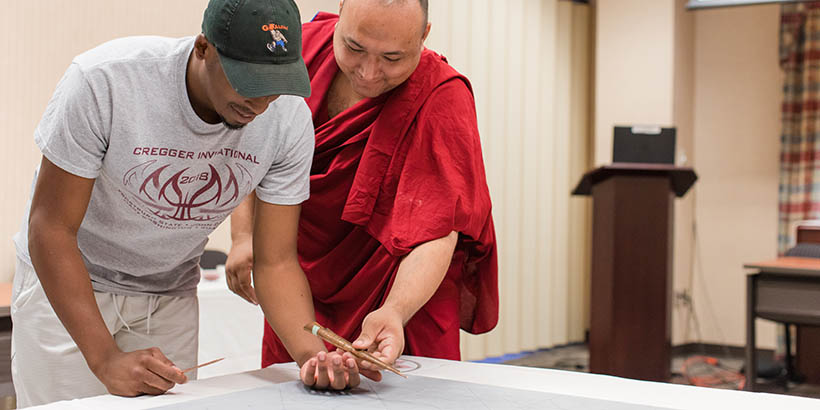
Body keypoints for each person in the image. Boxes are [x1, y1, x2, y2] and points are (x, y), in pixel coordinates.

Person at [10, 0, 364, 407]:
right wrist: (104, 357)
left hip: (168, 291)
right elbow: (50, 228)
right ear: (203, 48)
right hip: (71, 286)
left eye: (274, 86)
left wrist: (312, 355)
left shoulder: (286, 119)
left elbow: (276, 261)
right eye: (247, 82)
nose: (260, 104)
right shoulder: (105, 81)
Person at [226, 0, 498, 383]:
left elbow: (439, 227)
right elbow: (252, 144)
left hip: (399, 291)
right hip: (296, 281)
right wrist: (242, 235)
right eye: (354, 49)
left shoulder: (442, 95)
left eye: (392, 58)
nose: (369, 73)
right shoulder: (294, 52)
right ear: (340, 13)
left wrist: (396, 311)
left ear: (424, 36)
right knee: (297, 392)